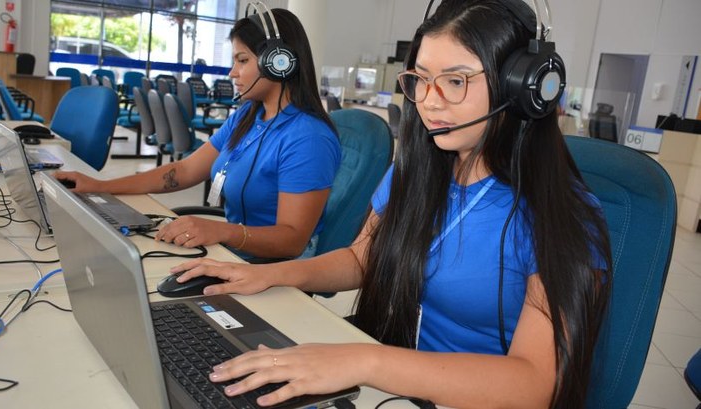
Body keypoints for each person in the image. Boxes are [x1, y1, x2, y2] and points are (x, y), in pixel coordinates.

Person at [166, 0, 613, 408]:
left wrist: (365, 362)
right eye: (420, 80)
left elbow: (535, 384)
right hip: (399, 389)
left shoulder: (565, 215)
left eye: (455, 81)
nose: (428, 102)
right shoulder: (419, 171)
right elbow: (363, 257)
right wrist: (263, 275)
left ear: (523, 87)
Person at [54, 8, 341, 261]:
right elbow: (185, 170)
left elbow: (292, 242)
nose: (232, 72)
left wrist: (221, 231)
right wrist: (99, 186)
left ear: (278, 62)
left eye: (242, 60)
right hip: (235, 255)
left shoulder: (308, 138)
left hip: (272, 271)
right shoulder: (247, 115)